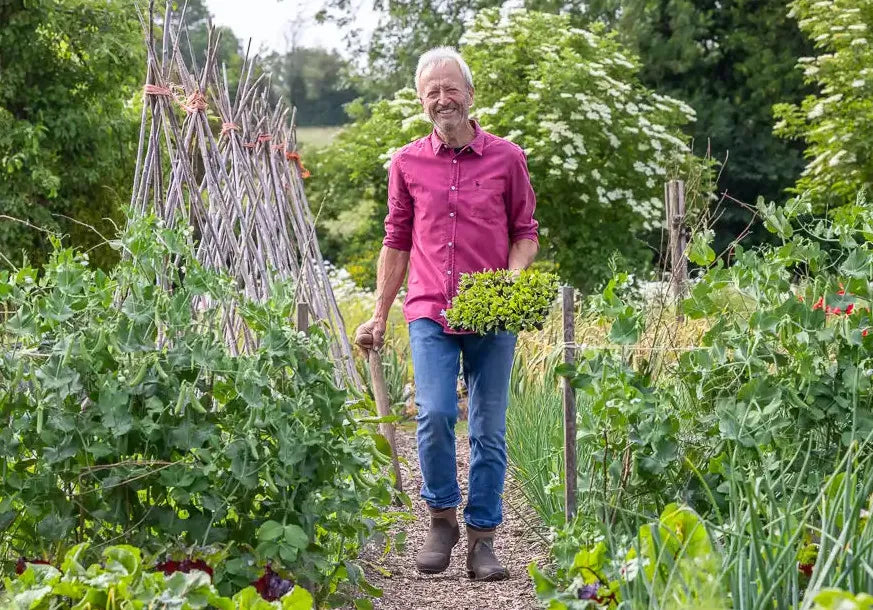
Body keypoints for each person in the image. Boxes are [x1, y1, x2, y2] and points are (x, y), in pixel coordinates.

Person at [354, 46, 539, 582]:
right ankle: (441, 520)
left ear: (470, 94)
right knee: (434, 413)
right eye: (431, 91)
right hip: (430, 309)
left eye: (450, 88)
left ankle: (482, 538)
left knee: (488, 427)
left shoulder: (507, 158)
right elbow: (396, 240)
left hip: (491, 312)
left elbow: (525, 232)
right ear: (421, 101)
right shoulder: (407, 163)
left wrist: (512, 278)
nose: (442, 99)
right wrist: (379, 314)